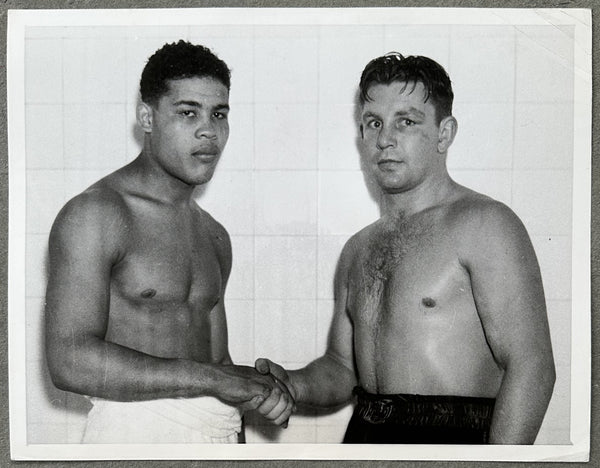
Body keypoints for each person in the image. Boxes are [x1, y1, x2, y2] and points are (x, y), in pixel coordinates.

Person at [255, 52, 556, 444]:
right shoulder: (358, 249)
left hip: (453, 439)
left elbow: (532, 367)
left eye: (407, 122)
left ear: (444, 134)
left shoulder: (484, 224)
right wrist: (293, 385)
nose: (385, 139)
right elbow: (341, 368)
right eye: (374, 123)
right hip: (364, 435)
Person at [45, 40, 293, 444]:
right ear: (147, 116)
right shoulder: (98, 214)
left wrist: (254, 392)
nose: (208, 130)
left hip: (218, 437)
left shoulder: (214, 235)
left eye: (219, 114)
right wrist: (215, 379)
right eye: (187, 112)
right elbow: (69, 360)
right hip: (132, 436)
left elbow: (216, 364)